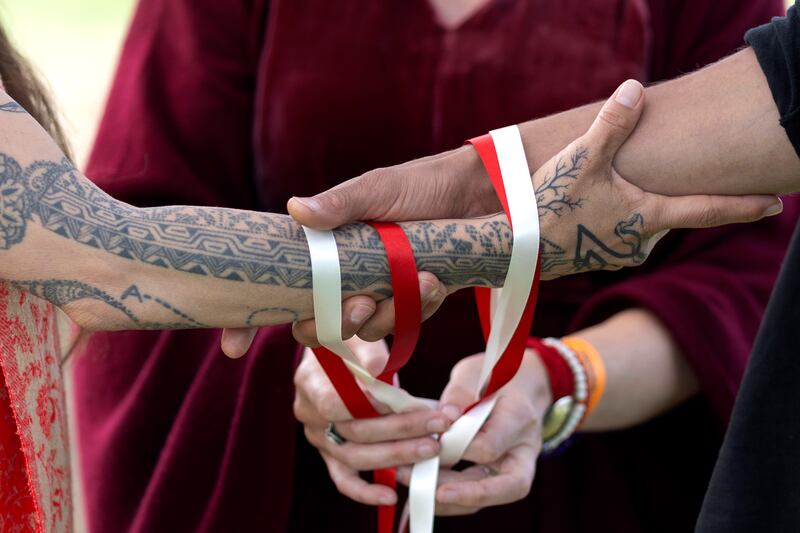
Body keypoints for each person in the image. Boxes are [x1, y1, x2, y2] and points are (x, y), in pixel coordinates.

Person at [74, 2, 796, 533]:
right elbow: (133, 232)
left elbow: (746, 266)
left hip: (594, 484)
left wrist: (558, 375)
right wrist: (305, 350)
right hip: (285, 475)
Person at [294, 3, 800, 531]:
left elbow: (742, 273)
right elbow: (203, 203)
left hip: (606, 479)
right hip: (297, 472)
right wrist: (314, 357)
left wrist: (557, 376)